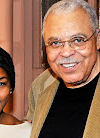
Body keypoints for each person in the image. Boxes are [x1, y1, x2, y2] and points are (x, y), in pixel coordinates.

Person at [26, 0, 100, 137]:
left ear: (98, 39)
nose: (66, 52)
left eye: (78, 40)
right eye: (55, 43)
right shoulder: (40, 86)